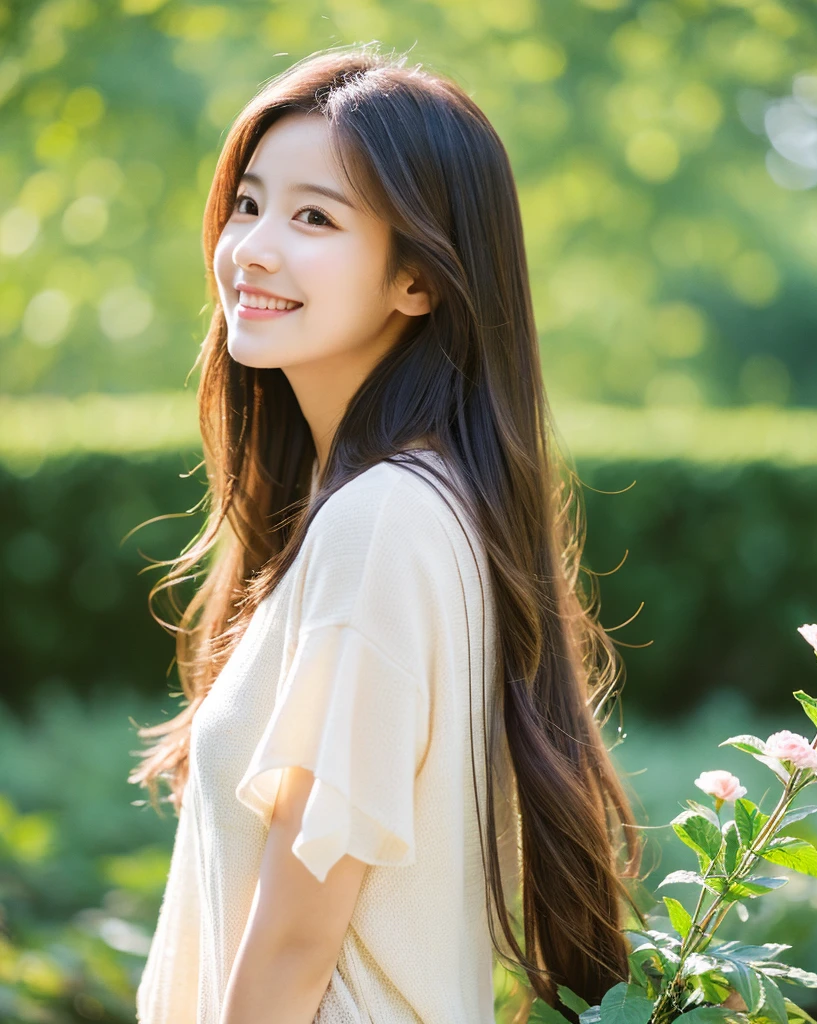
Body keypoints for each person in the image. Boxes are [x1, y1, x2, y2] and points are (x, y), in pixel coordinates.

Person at [128, 42, 643, 1024]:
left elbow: (295, 938)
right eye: (247, 202)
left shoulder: (384, 521)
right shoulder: (395, 508)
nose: (254, 247)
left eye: (313, 216)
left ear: (419, 282)